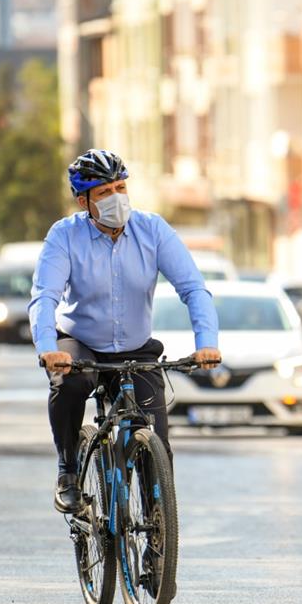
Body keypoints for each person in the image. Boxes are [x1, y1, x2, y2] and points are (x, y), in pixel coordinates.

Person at [30, 149, 221, 514]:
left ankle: (156, 543)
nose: (116, 197)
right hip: (80, 343)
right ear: (83, 201)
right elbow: (45, 296)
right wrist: (47, 347)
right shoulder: (64, 236)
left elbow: (193, 288)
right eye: (104, 192)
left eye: (120, 187)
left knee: (157, 445)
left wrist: (206, 343)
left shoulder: (153, 230)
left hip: (136, 347)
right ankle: (68, 470)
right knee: (69, 383)